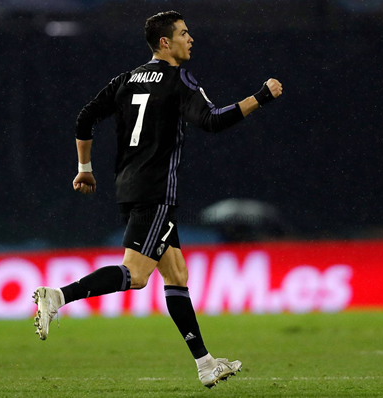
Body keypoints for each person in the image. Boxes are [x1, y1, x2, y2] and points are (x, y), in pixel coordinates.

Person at [33, 10, 282, 388]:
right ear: (165, 43)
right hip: (155, 191)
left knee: (176, 274)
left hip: (130, 185)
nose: (190, 38)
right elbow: (213, 119)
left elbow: (85, 117)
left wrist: (85, 167)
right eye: (184, 33)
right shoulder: (178, 78)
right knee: (135, 275)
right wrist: (260, 97)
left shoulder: (127, 79)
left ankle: (205, 363)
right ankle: (58, 296)